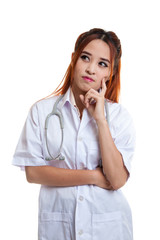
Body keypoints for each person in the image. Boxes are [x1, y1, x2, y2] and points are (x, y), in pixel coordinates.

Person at [12, 28, 136, 240]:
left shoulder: (118, 117)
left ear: (110, 74)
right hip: (58, 229)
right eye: (85, 58)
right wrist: (94, 177)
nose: (91, 69)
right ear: (73, 59)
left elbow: (116, 180)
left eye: (102, 64)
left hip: (109, 229)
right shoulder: (41, 112)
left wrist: (100, 121)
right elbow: (33, 173)